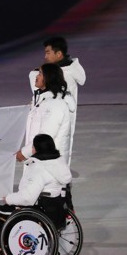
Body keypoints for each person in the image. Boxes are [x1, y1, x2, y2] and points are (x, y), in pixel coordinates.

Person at [0, 134, 72, 255]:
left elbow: (27, 198)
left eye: (33, 147)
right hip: (56, 211)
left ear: (36, 149)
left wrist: (9, 198)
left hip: (39, 212)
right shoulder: (60, 164)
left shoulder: (39, 168)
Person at [28, 36, 86, 165]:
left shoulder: (66, 73)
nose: (45, 56)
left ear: (59, 54)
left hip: (57, 115)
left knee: (57, 145)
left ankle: (59, 178)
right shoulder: (49, 72)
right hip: (49, 115)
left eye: (48, 52)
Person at [17, 63, 76, 165]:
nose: (36, 76)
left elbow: (46, 136)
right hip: (40, 161)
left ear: (49, 78)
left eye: (40, 73)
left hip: (49, 166)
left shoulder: (54, 104)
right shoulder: (43, 101)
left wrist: (24, 153)